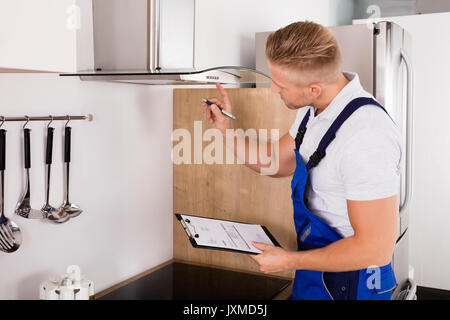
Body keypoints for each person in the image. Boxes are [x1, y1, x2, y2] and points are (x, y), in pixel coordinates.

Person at [202, 21, 401, 300]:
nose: (273, 90)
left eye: (280, 84)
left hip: (354, 283)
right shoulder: (316, 111)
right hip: (317, 269)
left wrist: (287, 261)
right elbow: (275, 161)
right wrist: (225, 131)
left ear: (314, 88)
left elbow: (375, 249)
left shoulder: (366, 135)